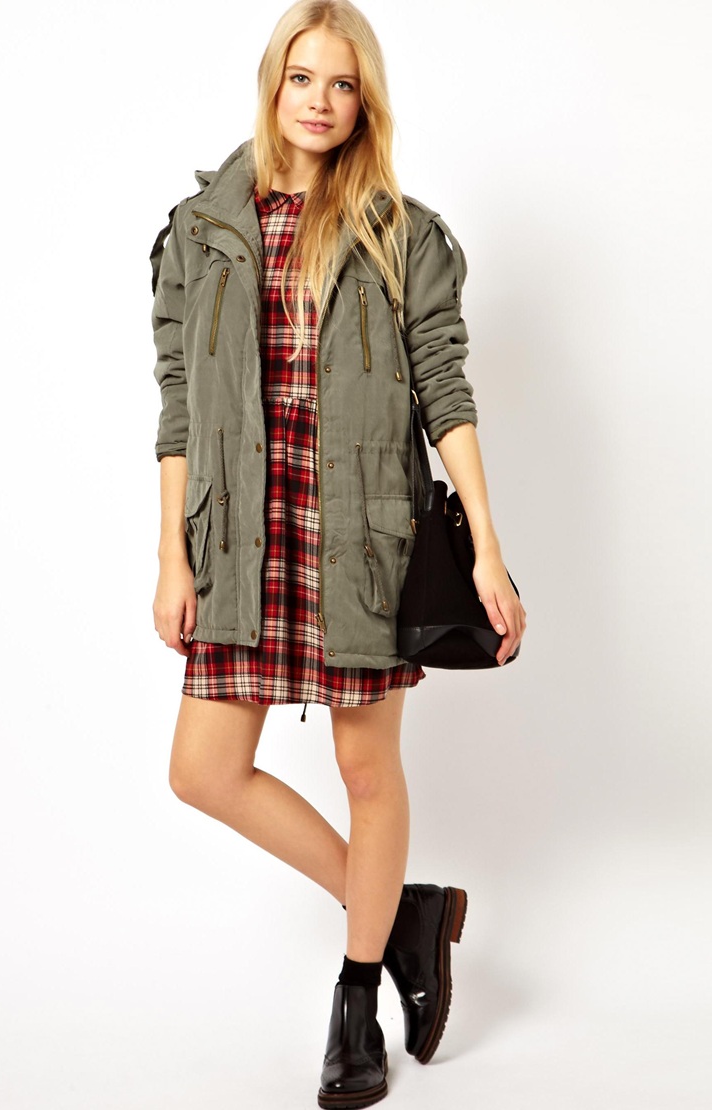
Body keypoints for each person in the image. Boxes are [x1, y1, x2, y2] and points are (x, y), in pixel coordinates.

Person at [150, 1, 526, 1105]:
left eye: (343, 83)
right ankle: (406, 914)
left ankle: (357, 998)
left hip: (363, 533)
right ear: (274, 84)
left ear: (367, 103)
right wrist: (172, 556)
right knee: (203, 770)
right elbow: (179, 405)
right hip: (242, 539)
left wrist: (488, 547)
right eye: (302, 77)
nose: (319, 101)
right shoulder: (199, 232)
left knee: (368, 771)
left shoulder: (403, 234)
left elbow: (446, 390)